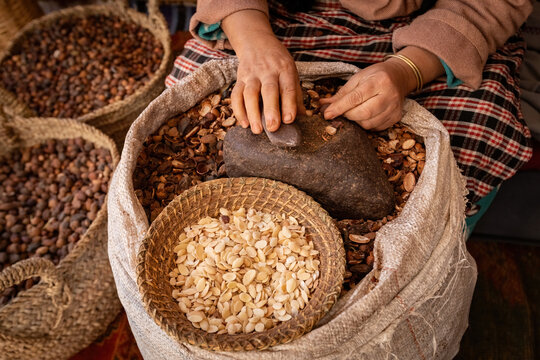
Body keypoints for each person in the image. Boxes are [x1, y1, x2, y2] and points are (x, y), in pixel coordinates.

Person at [166, 0, 533, 225]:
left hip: (433, 26)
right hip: (274, 15)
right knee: (191, 90)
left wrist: (409, 69)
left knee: (476, 132)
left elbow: (489, 4)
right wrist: (254, 41)